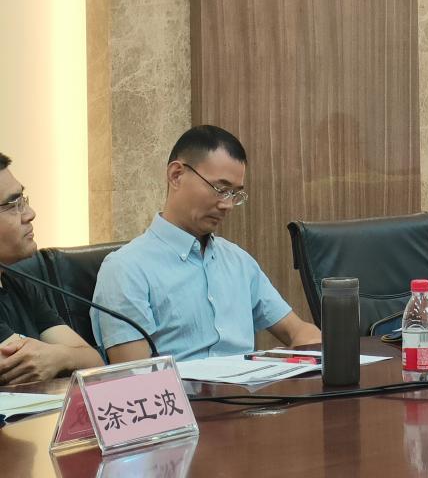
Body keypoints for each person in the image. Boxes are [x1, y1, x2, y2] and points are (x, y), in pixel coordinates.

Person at [91, 126, 321, 362]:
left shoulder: (238, 261)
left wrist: (318, 350)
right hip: (179, 386)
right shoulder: (125, 269)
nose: (227, 205)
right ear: (176, 175)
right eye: (220, 189)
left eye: (235, 194)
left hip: (250, 384)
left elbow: (298, 331)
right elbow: (135, 375)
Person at [0, 153, 102, 384]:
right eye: (14, 205)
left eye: (23, 200)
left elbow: (95, 362)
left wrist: (58, 357)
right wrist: (62, 357)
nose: (30, 214)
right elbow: (22, 368)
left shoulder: (17, 282)